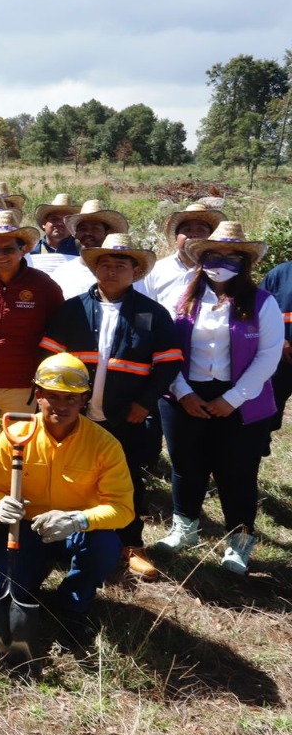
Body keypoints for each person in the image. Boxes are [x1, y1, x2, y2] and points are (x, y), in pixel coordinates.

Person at [41, 234, 181, 580]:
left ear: (135, 271)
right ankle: (65, 539)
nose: (112, 270)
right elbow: (48, 358)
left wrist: (144, 403)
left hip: (126, 415)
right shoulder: (72, 309)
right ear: (95, 268)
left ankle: (131, 544)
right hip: (76, 414)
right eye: (105, 264)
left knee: (127, 478)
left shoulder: (152, 314)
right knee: (71, 475)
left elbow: (168, 363)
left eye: (121, 265)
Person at [154, 223, 282, 575]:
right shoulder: (180, 296)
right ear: (201, 258)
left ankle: (239, 542)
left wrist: (233, 398)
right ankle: (185, 528)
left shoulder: (262, 302)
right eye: (213, 255)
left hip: (242, 400)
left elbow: (268, 355)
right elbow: (164, 348)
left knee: (237, 471)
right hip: (184, 394)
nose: (221, 263)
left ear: (244, 262)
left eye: (231, 257)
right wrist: (183, 392)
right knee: (186, 465)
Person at [0, 354, 134, 642]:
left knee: (105, 545)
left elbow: (122, 509)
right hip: (25, 530)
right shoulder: (15, 437)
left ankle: (73, 605)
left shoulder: (104, 445)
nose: (61, 406)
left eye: (71, 398)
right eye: (53, 396)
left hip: (78, 531)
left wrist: (77, 520)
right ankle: (32, 573)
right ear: (38, 395)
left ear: (84, 399)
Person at [0, 212, 63, 416]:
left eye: (8, 249)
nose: (0, 256)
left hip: (22, 384)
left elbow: (57, 332)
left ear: (23, 249)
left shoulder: (43, 286)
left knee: (19, 436)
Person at [143, 202, 226, 311]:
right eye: (187, 230)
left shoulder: (220, 271)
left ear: (211, 237)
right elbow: (145, 309)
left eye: (201, 230)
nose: (193, 234)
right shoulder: (157, 270)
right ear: (176, 238)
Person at [49, 201, 132, 299]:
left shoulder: (124, 274)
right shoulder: (62, 273)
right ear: (75, 235)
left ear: (107, 234)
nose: (88, 233)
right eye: (82, 229)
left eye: (95, 228)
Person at [259, 254, 292, 446]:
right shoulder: (280, 274)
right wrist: (279, 340)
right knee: (269, 408)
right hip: (281, 357)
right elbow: (258, 311)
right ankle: (260, 444)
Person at [30, 194, 82, 276]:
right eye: (54, 219)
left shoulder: (81, 250)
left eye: (64, 220)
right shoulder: (31, 250)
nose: (59, 223)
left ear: (71, 226)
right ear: (44, 223)